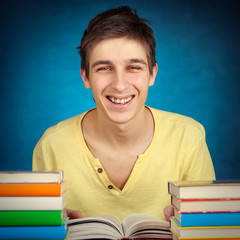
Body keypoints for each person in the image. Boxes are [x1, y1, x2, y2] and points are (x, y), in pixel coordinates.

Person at [32, 6, 215, 221]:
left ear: (152, 74)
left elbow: (207, 228)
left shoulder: (188, 136)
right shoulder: (51, 145)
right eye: (104, 68)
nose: (119, 85)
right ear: (86, 77)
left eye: (134, 67)